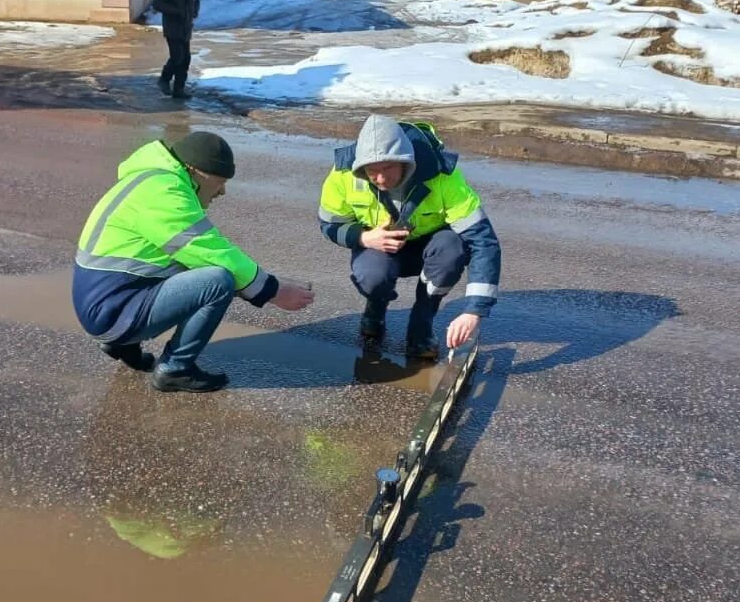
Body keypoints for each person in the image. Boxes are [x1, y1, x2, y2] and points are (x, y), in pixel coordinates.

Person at [73, 131, 315, 393]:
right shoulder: (165, 194)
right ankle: (175, 369)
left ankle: (123, 343)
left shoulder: (152, 180)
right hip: (111, 310)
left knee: (194, 264)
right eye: (220, 181)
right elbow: (213, 253)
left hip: (108, 300)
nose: (222, 190)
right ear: (195, 171)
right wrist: (274, 291)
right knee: (218, 280)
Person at [318, 114, 501, 359]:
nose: (381, 179)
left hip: (431, 247)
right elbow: (329, 224)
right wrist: (363, 238)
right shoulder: (343, 175)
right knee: (372, 275)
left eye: (388, 168)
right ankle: (375, 307)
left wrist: (474, 311)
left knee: (452, 248)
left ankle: (421, 326)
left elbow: (483, 242)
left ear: (406, 161)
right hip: (378, 245)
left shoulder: (443, 176)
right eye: (372, 171)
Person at [153, 0, 200, 99]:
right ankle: (164, 80)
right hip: (172, 26)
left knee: (186, 59)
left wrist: (194, 11)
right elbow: (158, 3)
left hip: (186, 27)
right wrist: (176, 11)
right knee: (177, 57)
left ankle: (179, 90)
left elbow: (196, 1)